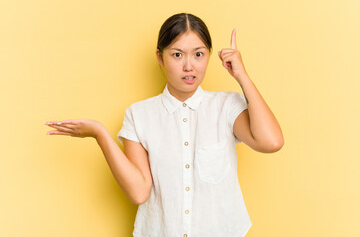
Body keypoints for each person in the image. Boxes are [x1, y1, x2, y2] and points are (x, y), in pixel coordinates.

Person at [45, 13, 284, 237]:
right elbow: (139, 192)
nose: (189, 66)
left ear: (209, 55)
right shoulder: (139, 115)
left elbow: (271, 142)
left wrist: (241, 75)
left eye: (198, 54)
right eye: (177, 54)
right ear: (160, 57)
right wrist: (100, 134)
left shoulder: (226, 106)